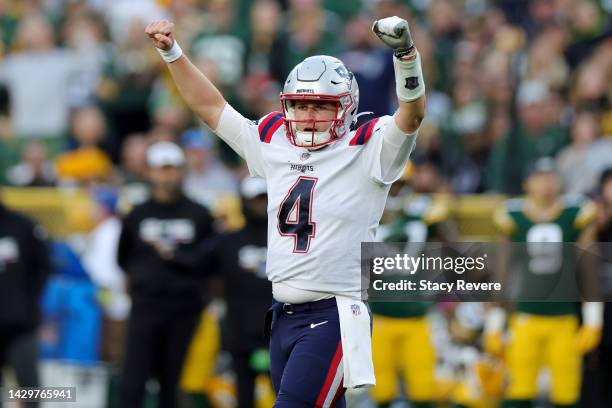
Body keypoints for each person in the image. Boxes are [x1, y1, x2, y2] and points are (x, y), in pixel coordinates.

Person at [145, 14, 425, 406]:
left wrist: (407, 56)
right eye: (301, 105)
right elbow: (211, 108)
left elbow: (411, 116)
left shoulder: (368, 148)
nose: (309, 116)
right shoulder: (275, 140)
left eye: (321, 107)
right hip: (281, 315)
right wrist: (173, 53)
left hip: (335, 314)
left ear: (346, 108)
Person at [488, 157, 603, 408]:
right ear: (527, 183)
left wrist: (593, 318)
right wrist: (494, 323)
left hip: (563, 317)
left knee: (566, 391)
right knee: (518, 388)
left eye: (551, 177)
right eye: (540, 178)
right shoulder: (513, 215)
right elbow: (502, 272)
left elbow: (588, 267)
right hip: (525, 316)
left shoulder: (575, 213)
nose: (546, 184)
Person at [117, 141, 215, 408]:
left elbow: (210, 259)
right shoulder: (137, 214)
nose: (167, 175)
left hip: (184, 308)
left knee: (171, 382)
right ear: (149, 172)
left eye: (172, 168)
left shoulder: (199, 214)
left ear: (182, 171)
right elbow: (123, 257)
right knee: (133, 381)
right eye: (162, 169)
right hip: (145, 307)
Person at [0, 188, 51, 408]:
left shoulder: (22, 226)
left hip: (19, 326)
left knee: (30, 392)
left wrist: (28, 306)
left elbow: (43, 266)